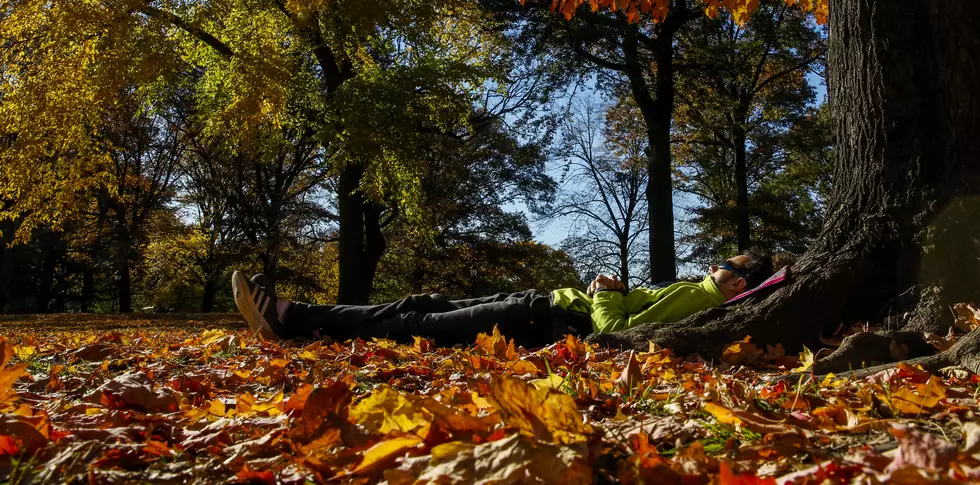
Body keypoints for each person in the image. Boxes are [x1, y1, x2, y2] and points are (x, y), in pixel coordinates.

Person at [232, 253, 771, 348]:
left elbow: (614, 331)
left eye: (736, 271)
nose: (725, 271)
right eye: (730, 266)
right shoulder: (690, 290)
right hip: (543, 300)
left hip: (547, 318)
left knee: (416, 321)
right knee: (419, 302)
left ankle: (290, 319)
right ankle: (287, 312)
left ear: (739, 285)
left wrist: (604, 293)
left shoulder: (695, 299)